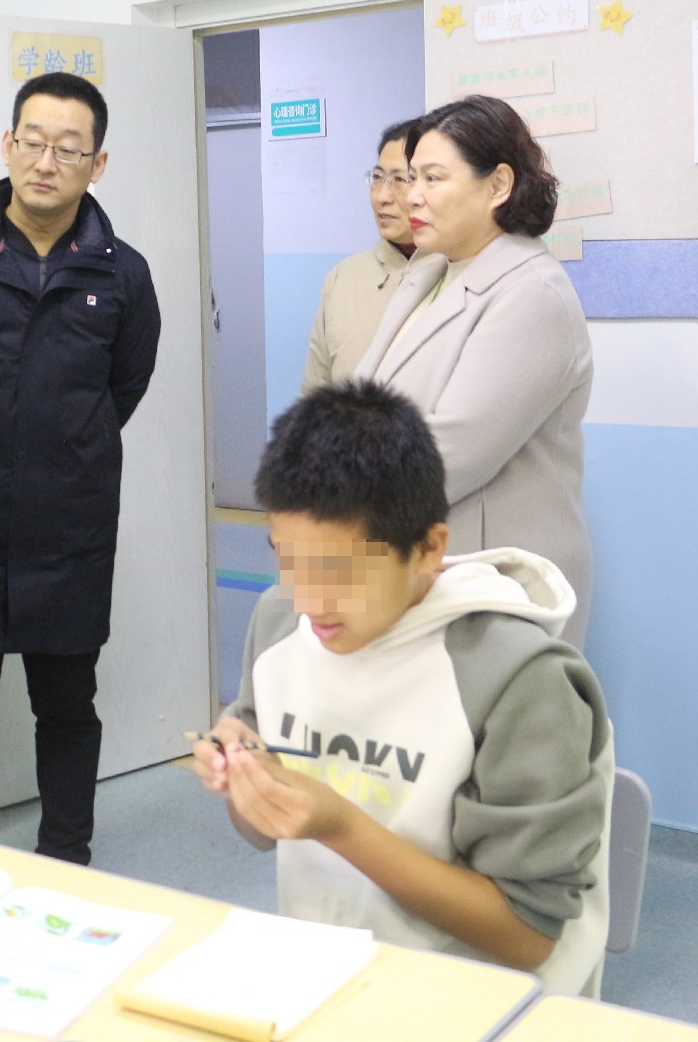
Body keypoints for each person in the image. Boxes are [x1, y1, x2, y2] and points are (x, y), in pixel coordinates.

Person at [193, 380, 612, 994]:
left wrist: (340, 827)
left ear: (428, 549)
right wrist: (246, 779)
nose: (309, 601)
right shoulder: (279, 623)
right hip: (327, 977)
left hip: (478, 999)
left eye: (339, 573)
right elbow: (261, 830)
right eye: (287, 559)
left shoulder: (518, 679)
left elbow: (527, 935)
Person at [0, 71, 161, 866]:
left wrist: (62, 448)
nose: (46, 162)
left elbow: (122, 388)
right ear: (7, 145)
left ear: (98, 163)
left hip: (68, 531)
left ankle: (66, 859)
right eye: (33, 142)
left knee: (67, 706)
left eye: (68, 148)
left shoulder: (123, 274)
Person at [352, 95, 595, 644]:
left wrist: (324, 482)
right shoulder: (430, 271)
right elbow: (360, 403)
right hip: (416, 564)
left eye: (432, 178)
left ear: (498, 185)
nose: (410, 195)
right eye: (410, 177)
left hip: (492, 577)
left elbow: (447, 456)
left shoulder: (533, 294)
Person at [301, 119, 418, 391]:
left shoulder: (458, 275)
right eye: (377, 178)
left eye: (400, 179)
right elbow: (315, 393)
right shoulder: (342, 278)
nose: (381, 197)